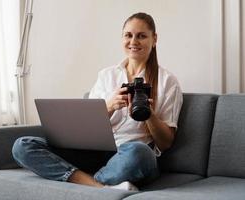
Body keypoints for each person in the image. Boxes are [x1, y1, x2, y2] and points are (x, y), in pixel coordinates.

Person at [12, 12, 183, 191]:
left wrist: (148, 114)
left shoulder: (167, 82)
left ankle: (83, 181)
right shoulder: (106, 75)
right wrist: (108, 107)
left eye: (141, 36)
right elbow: (86, 128)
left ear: (154, 39)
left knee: (139, 152)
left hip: (131, 156)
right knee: (22, 146)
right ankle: (99, 186)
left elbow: (165, 143)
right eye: (128, 35)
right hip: (95, 153)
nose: (134, 42)